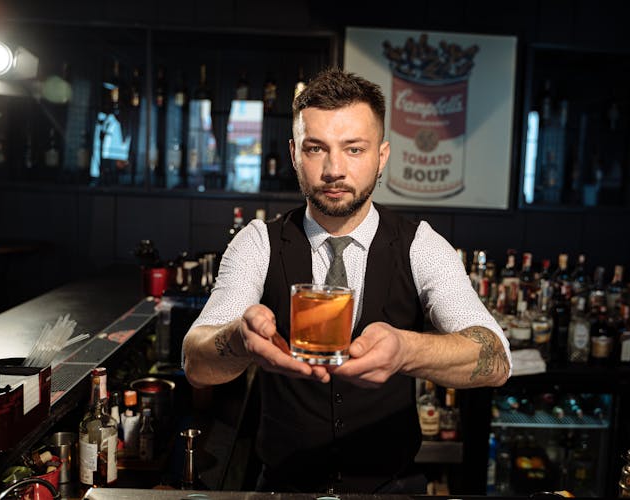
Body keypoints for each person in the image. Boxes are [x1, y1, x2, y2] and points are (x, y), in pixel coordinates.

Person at [182, 67, 512, 494]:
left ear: (382, 155)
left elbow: (497, 359)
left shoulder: (421, 245)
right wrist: (239, 340)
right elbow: (194, 363)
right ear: (294, 153)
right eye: (316, 148)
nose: (334, 169)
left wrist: (408, 350)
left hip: (391, 487)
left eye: (354, 149)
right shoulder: (259, 243)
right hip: (283, 487)